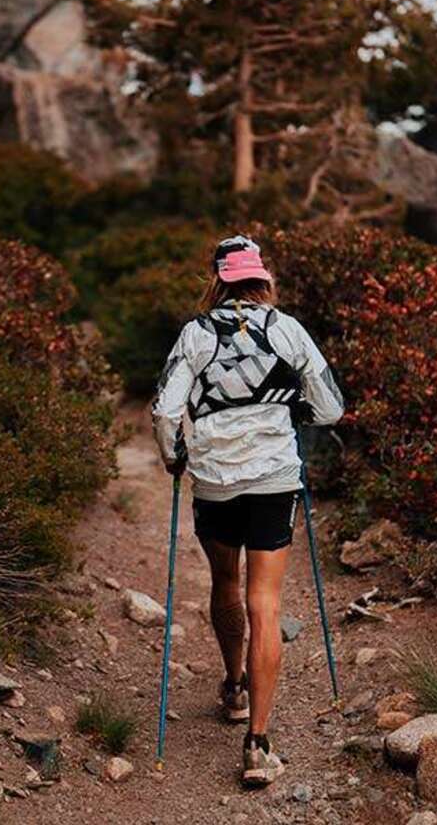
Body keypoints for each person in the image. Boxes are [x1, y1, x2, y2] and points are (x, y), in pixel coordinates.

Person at [152, 235, 343, 787]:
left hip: (213, 483)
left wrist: (175, 458)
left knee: (224, 584)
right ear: (261, 278)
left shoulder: (195, 334)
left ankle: (233, 685)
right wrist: (289, 410)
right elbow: (331, 408)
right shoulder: (287, 329)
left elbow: (166, 411)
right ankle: (258, 742)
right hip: (273, 480)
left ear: (217, 279)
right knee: (266, 602)